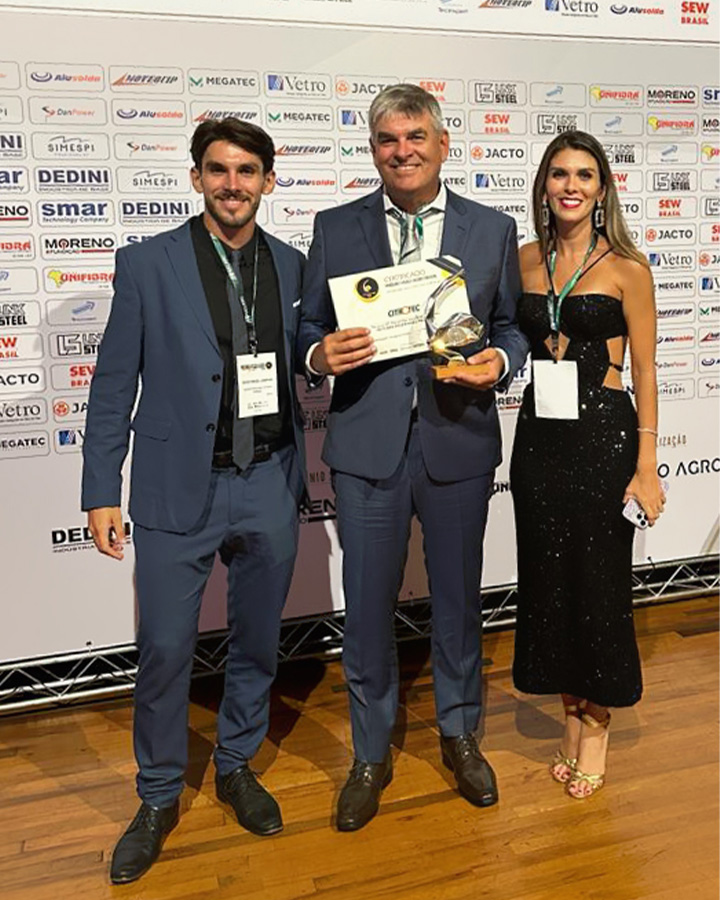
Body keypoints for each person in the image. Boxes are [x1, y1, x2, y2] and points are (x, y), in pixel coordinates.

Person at [82, 118, 307, 883]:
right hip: (179, 485)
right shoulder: (147, 264)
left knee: (258, 641)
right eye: (218, 169)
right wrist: (100, 488)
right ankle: (156, 795)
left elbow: (311, 358)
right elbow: (114, 383)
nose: (232, 184)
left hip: (269, 480)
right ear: (196, 177)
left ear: (268, 181)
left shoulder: (293, 266)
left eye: (246, 171)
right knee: (167, 649)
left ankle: (237, 764)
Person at [298, 83, 528, 830]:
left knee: (459, 602)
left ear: (442, 144)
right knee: (367, 608)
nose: (402, 152)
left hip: (457, 438)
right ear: (373, 150)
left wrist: (500, 361)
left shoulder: (491, 228)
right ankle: (370, 753)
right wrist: (319, 355)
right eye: (387, 140)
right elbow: (306, 328)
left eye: (415, 137)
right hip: (368, 448)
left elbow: (510, 326)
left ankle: (460, 735)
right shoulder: (335, 227)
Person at [510, 130, 665, 799]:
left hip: (603, 438)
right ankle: (569, 713)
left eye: (584, 175)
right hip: (538, 439)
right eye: (559, 174)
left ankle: (596, 723)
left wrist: (647, 463)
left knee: (597, 585)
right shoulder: (523, 260)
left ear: (602, 189)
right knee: (550, 583)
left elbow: (647, 371)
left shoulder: (627, 267)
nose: (570, 186)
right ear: (543, 185)